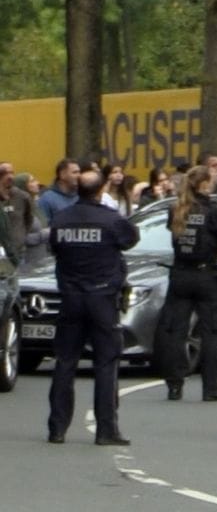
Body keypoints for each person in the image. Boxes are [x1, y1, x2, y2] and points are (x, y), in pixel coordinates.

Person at [45, 168, 138, 445]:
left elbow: (55, 249)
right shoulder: (112, 220)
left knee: (65, 362)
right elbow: (130, 239)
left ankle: (57, 428)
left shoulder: (61, 219)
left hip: (71, 299)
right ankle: (106, 429)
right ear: (101, 191)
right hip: (102, 299)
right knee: (106, 363)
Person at [153, 166, 217, 402]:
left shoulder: (177, 208)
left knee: (175, 332)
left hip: (180, 274)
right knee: (211, 333)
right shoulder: (213, 211)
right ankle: (211, 388)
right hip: (206, 275)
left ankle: (174, 385)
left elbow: (174, 234)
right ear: (206, 184)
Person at [0, 161, 37, 258]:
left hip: (19, 251)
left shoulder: (22, 197)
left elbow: (29, 219)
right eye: (4, 173)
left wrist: (21, 237)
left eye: (12, 173)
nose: (10, 177)